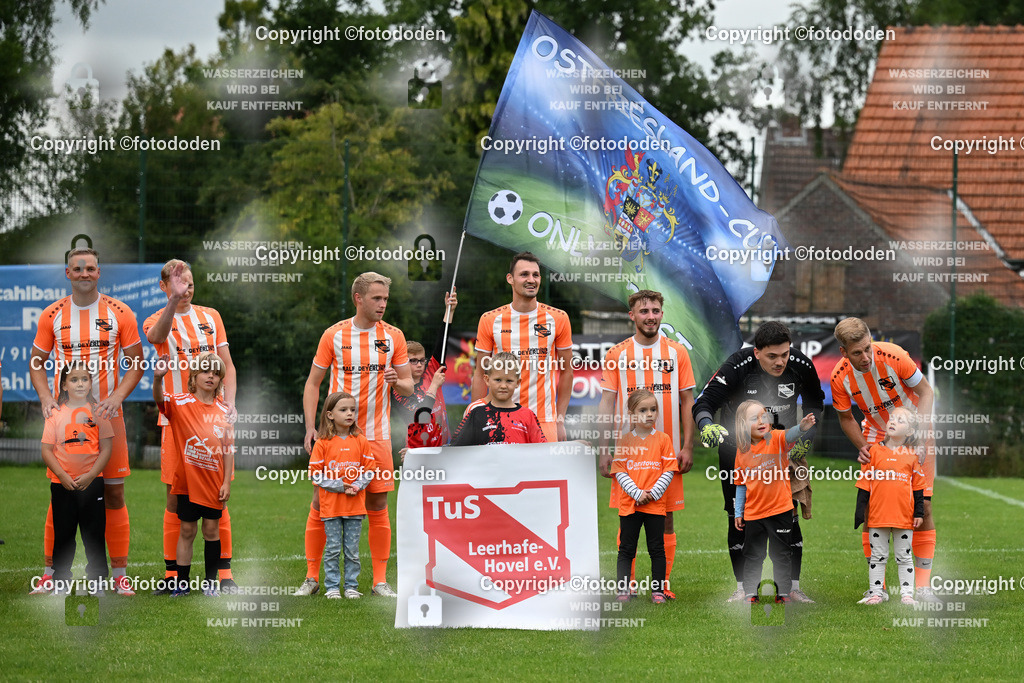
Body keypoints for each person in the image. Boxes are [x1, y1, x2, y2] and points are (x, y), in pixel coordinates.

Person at [29, 247, 143, 596]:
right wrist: (46, 398)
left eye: (90, 268)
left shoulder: (120, 312)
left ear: (98, 272)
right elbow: (36, 362)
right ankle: (50, 573)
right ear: (68, 273)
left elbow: (136, 363)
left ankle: (119, 574)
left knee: (114, 493)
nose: (84, 274)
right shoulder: (52, 314)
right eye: (77, 269)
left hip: (108, 418)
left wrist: (116, 397)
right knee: (61, 494)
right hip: (65, 423)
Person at [297, 272, 413, 597]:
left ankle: (379, 582)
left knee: (377, 502)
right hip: (335, 438)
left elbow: (408, 385)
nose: (383, 304)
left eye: (385, 298)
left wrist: (397, 381)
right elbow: (313, 383)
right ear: (358, 299)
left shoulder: (394, 336)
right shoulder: (334, 334)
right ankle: (311, 578)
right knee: (321, 501)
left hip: (376, 436)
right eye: (377, 298)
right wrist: (310, 427)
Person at [692, 321, 824, 603]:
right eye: (772, 356)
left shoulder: (801, 364)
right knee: (738, 516)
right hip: (737, 453)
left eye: (785, 354)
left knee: (788, 514)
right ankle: (743, 588)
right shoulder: (737, 366)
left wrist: (807, 437)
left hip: (782, 453)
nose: (780, 362)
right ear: (756, 352)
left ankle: (792, 587)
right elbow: (704, 403)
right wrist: (706, 425)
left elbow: (815, 402)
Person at [144, 259, 238, 593]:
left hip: (213, 419)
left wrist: (230, 404)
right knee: (175, 499)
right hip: (178, 421)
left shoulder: (211, 316)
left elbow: (227, 365)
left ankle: (223, 576)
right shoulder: (157, 319)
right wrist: (174, 300)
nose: (186, 290)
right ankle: (173, 576)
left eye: (190, 284)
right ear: (164, 287)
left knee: (218, 497)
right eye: (179, 285)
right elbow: (156, 337)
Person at [830, 317, 938, 603]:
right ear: (843, 352)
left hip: (915, 431)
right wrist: (863, 447)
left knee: (923, 506)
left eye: (868, 348)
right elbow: (846, 418)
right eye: (857, 353)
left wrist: (920, 435)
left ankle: (923, 588)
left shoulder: (895, 356)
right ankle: (877, 589)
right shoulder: (839, 377)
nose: (865, 357)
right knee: (871, 510)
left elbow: (926, 392)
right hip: (876, 435)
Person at [597, 290, 695, 599]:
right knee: (627, 515)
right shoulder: (617, 354)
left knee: (666, 517)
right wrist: (604, 449)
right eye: (644, 311)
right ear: (632, 315)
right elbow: (607, 403)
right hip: (628, 454)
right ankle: (626, 585)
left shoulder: (677, 352)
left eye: (655, 310)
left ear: (662, 314)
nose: (650, 316)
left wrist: (688, 446)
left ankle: (661, 585)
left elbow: (687, 401)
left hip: (667, 453)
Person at [153, 352, 234, 597]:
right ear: (194, 375)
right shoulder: (180, 403)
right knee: (187, 531)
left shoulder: (224, 411)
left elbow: (228, 450)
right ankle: (182, 583)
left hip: (213, 484)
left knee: (211, 531)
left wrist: (226, 482)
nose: (211, 376)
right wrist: (158, 378)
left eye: (216, 373)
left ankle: (210, 584)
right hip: (187, 483)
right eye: (206, 371)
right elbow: (159, 400)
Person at [472, 252, 573, 442]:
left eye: (536, 275)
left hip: (544, 421)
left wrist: (559, 420)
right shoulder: (490, 319)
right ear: (510, 279)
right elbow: (480, 373)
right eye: (524, 274)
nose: (531, 280)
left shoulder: (558, 318)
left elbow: (567, 371)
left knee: (546, 464)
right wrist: (476, 419)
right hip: (500, 419)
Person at [39, 362, 112, 594]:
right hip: (62, 485)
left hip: (93, 484)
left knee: (94, 535)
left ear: (90, 384)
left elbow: (107, 449)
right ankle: (61, 580)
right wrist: (61, 475)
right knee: (63, 535)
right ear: (64, 385)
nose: (80, 384)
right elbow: (46, 450)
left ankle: (98, 581)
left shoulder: (99, 412)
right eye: (74, 379)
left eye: (84, 379)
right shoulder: (55, 414)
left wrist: (91, 475)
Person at [733, 401, 816, 602]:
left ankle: (783, 593)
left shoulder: (777, 438)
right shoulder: (742, 451)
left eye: (764, 416)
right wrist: (738, 512)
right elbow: (741, 485)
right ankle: (751, 593)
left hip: (781, 511)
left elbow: (790, 435)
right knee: (754, 555)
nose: (761, 421)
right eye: (754, 419)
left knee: (781, 555)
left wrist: (802, 427)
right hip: (754, 514)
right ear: (742, 425)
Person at [610, 389, 677, 604]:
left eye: (653, 409)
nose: (649, 414)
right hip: (630, 505)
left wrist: (653, 493)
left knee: (656, 549)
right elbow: (620, 472)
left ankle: (657, 591)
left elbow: (669, 470)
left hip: (655, 506)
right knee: (626, 549)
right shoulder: (624, 441)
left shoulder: (663, 439)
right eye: (643, 410)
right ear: (631, 414)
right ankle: (624, 589)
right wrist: (637, 493)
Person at [854, 406, 925, 606]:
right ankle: (876, 593)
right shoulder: (873, 452)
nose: (893, 422)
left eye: (900, 420)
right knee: (877, 556)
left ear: (910, 431)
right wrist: (859, 512)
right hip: (878, 517)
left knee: (904, 557)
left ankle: (907, 595)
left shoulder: (912, 456)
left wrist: (919, 513)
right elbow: (864, 485)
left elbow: (918, 488)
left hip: (904, 518)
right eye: (892, 418)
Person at [309, 392, 375, 599]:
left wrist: (356, 485)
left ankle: (351, 586)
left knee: (352, 551)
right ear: (330, 415)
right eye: (343, 410)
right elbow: (315, 474)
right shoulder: (322, 443)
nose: (349, 414)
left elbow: (370, 470)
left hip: (355, 508)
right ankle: (332, 587)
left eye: (352, 410)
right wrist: (339, 486)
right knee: (333, 549)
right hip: (331, 509)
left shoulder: (361, 440)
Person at [391, 290, 458, 454]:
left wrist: (449, 310)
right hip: (418, 449)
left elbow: (442, 343)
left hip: (443, 446)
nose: (420, 365)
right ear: (402, 362)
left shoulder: (430, 372)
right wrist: (434, 386)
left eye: (422, 360)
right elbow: (421, 417)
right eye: (413, 361)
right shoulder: (399, 390)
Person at [451, 352, 546, 446]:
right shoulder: (476, 414)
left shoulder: (528, 416)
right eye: (498, 380)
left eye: (509, 381)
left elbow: (542, 450)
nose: (503, 386)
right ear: (487, 380)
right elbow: (456, 450)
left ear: (517, 382)